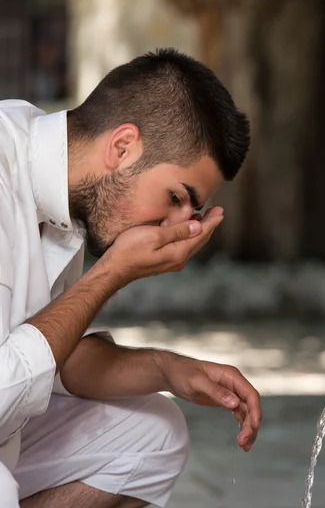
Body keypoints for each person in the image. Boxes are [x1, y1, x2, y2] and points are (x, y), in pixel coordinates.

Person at [0, 48, 261, 508]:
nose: (174, 225)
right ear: (123, 147)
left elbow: (57, 357)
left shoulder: (67, 196)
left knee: (153, 432)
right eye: (176, 197)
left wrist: (170, 370)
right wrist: (111, 273)